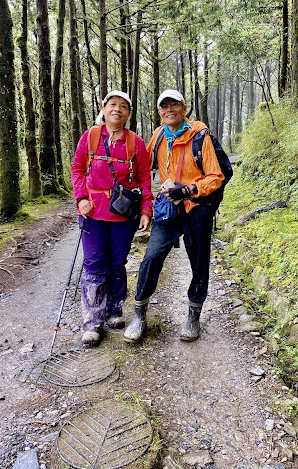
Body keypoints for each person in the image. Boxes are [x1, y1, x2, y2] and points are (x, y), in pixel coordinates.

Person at [124, 89, 224, 344]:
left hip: (196, 207)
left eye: (174, 105)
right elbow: (142, 167)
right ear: (159, 112)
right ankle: (139, 314)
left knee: (199, 261)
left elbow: (215, 176)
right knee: (152, 256)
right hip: (168, 207)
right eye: (164, 106)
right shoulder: (158, 136)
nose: (170, 110)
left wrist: (190, 189)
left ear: (184, 107)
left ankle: (193, 315)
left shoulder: (199, 135)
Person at [71, 91, 152, 347]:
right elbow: (77, 169)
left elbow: (144, 179)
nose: (117, 109)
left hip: (123, 215)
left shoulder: (136, 143)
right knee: (94, 264)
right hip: (92, 211)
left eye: (123, 106)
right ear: (103, 109)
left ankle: (114, 309)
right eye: (113, 105)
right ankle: (92, 321)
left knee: (118, 263)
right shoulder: (91, 136)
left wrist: (146, 211)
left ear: (128, 114)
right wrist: (81, 197)